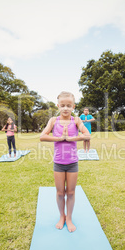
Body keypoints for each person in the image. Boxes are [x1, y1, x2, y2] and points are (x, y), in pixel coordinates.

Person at [40, 91, 90, 232]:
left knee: (71, 192)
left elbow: (88, 135)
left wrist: (72, 138)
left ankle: (69, 218)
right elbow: (42, 136)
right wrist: (59, 138)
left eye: (68, 105)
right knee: (60, 192)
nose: (65, 108)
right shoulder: (53, 121)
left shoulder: (76, 120)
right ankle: (62, 216)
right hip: (59, 163)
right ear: (58, 106)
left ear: (73, 106)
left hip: (73, 162)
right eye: (62, 105)